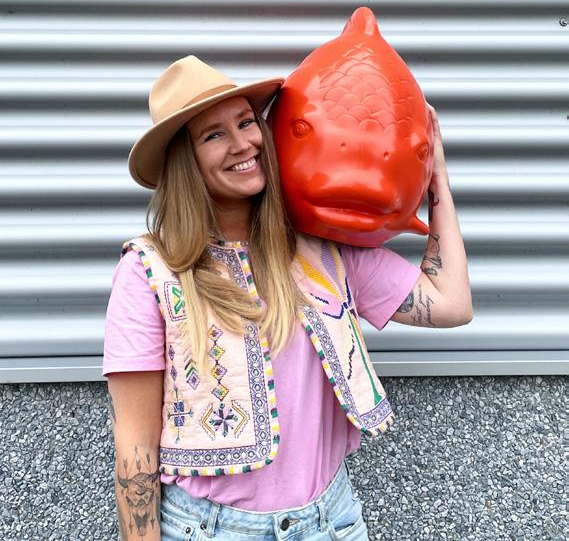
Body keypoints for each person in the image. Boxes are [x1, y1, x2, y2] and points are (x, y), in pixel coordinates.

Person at [103, 55, 472, 541]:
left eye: (246, 122)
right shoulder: (150, 272)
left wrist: (436, 176)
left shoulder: (324, 250)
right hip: (211, 530)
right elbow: (135, 449)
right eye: (213, 135)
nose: (243, 144)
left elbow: (451, 303)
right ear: (184, 162)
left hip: (332, 523)